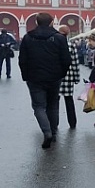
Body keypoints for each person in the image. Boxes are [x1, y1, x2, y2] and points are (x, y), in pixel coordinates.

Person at [18, 13, 71, 149]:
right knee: (53, 104)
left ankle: (46, 132)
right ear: (52, 22)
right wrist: (61, 74)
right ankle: (53, 132)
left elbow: (22, 59)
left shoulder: (28, 37)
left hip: (34, 77)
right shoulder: (59, 38)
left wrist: (26, 75)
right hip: (54, 77)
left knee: (38, 106)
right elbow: (66, 59)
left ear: (36, 22)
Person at [58, 25, 80, 128]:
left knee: (54, 101)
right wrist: (76, 77)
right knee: (69, 100)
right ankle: (72, 123)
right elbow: (75, 62)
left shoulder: (54, 43)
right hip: (69, 76)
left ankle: (54, 123)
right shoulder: (71, 45)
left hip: (55, 76)